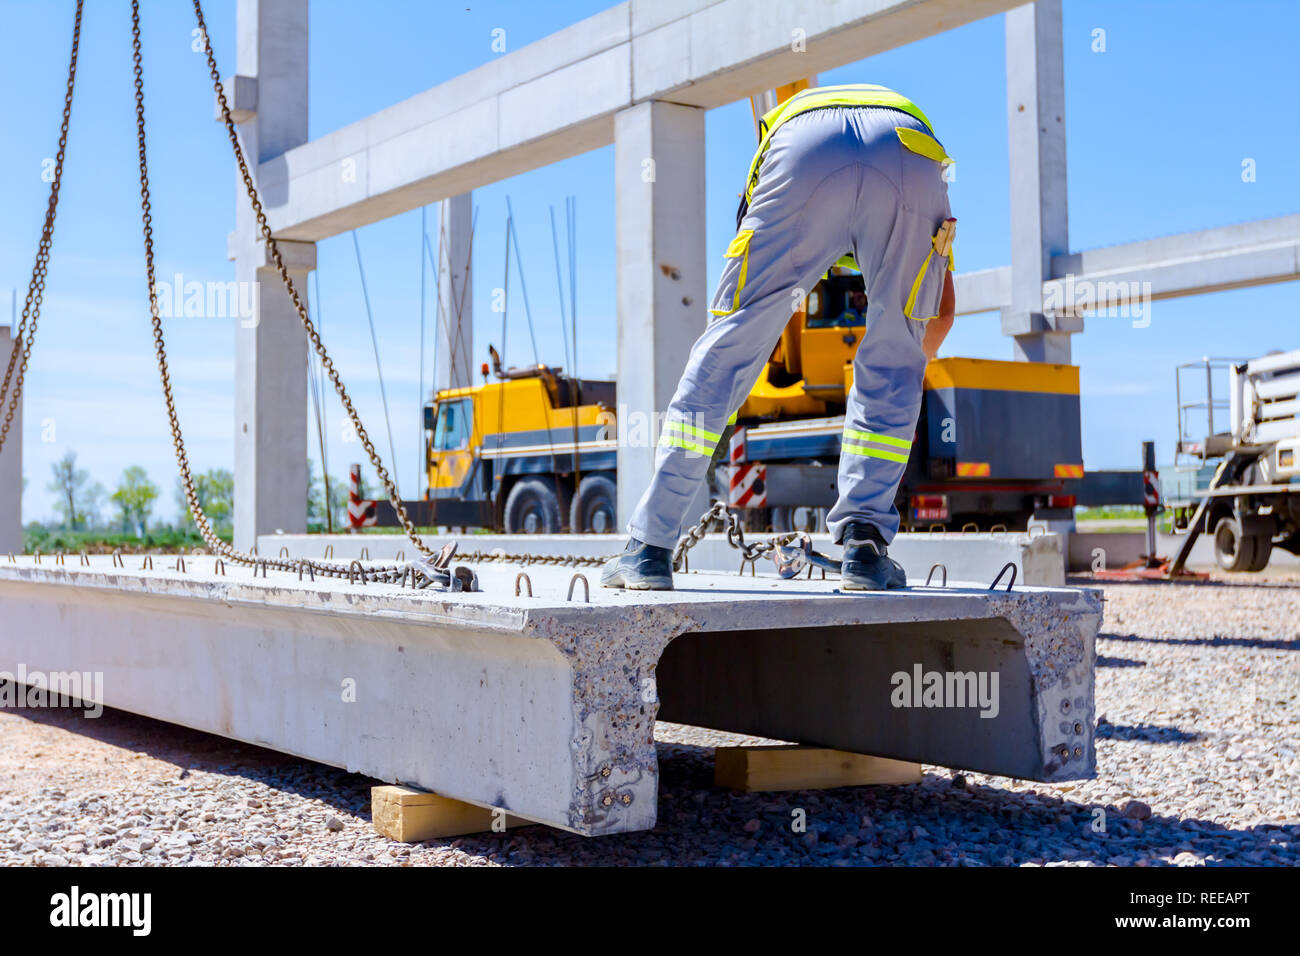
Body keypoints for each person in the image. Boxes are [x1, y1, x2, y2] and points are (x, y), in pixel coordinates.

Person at [602, 83, 957, 591]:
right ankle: (864, 546)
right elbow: (941, 314)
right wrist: (897, 372)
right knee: (898, 355)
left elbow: (742, 322)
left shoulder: (770, 165)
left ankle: (649, 547)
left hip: (803, 145)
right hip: (910, 147)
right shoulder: (919, 187)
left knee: (729, 344)